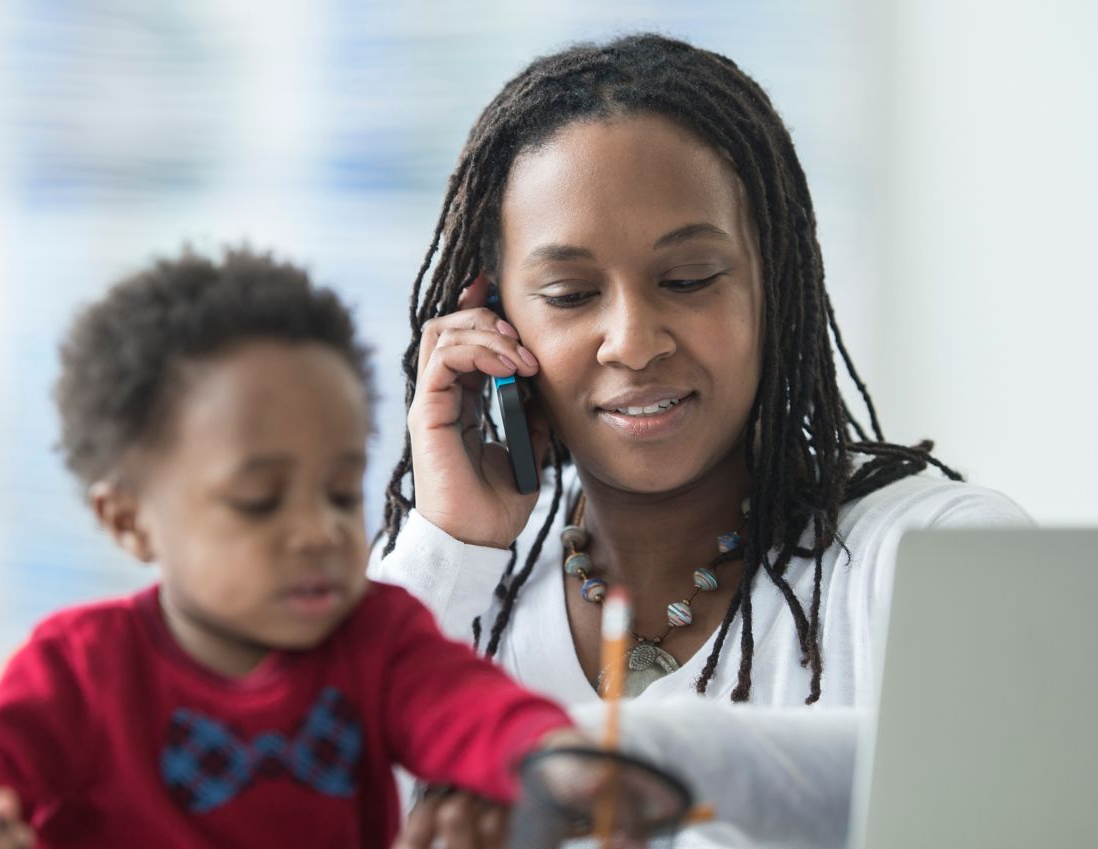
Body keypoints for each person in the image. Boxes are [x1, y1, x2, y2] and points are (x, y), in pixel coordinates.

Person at [370, 34, 1031, 848]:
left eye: (687, 280)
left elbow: (986, 786)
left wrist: (633, 758)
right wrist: (448, 546)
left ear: (773, 281)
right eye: (571, 293)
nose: (633, 341)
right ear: (496, 317)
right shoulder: (458, 598)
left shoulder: (935, 554)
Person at [0, 248, 580, 849]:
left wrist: (554, 755)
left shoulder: (377, 639)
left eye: (340, 493)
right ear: (129, 519)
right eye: (259, 502)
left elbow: (475, 711)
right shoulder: (80, 667)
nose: (318, 530)